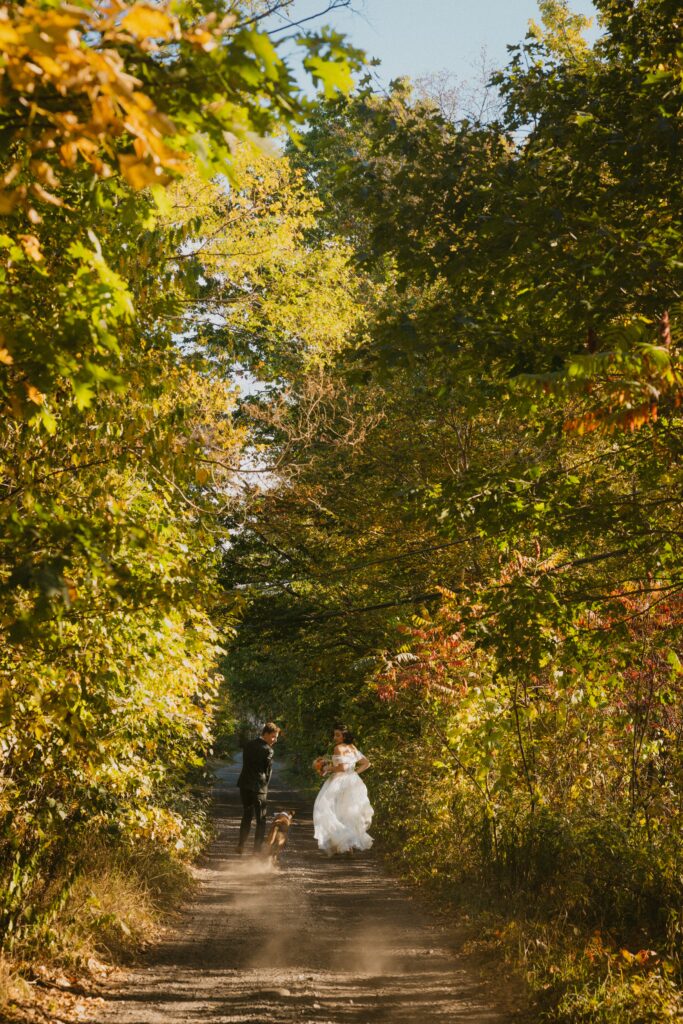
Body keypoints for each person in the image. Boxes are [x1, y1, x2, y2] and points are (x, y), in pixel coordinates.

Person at [313, 726, 373, 856]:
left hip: (339, 783)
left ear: (344, 736)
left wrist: (327, 768)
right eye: (334, 735)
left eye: (338, 735)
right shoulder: (352, 747)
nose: (335, 738)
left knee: (331, 810)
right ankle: (347, 845)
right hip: (353, 781)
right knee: (349, 813)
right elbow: (366, 763)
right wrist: (354, 773)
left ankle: (343, 844)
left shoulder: (338, 748)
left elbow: (342, 768)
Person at [236, 722, 280, 854]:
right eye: (273, 736)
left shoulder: (248, 744)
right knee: (261, 819)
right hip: (259, 787)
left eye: (276, 737)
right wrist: (265, 784)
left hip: (244, 784)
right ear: (265, 734)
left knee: (247, 815)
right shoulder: (268, 750)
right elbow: (268, 771)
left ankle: (241, 845)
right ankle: (256, 850)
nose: (275, 740)